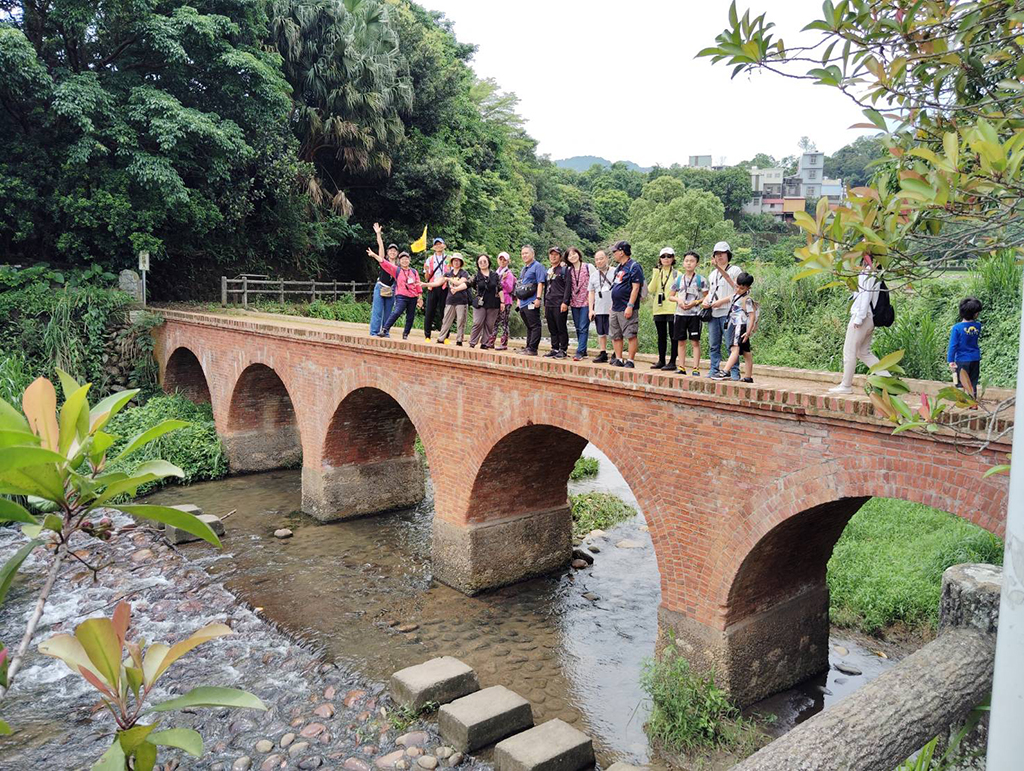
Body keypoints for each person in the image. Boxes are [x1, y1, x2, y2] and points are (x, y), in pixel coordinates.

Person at [828, 255, 891, 394]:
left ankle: (846, 386)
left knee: (849, 351)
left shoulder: (868, 271)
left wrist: (859, 318)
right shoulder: (875, 271)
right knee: (863, 353)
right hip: (871, 318)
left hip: (863, 317)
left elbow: (865, 295)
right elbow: (862, 293)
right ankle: (888, 379)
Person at [702, 241, 742, 380]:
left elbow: (738, 292)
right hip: (714, 313)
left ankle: (735, 371)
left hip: (728, 312)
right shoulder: (712, 274)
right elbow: (711, 292)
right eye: (716, 254)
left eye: (722, 253)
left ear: (728, 254)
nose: (719, 256)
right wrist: (706, 301)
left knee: (730, 344)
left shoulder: (735, 270)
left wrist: (721, 302)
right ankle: (714, 369)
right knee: (714, 344)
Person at [711, 272, 757, 382]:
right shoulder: (735, 296)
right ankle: (748, 376)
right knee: (746, 353)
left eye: (741, 288)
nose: (738, 289)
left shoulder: (747, 300)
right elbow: (725, 299)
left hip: (740, 327)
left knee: (734, 348)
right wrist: (714, 303)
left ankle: (725, 371)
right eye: (736, 286)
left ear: (747, 288)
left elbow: (752, 316)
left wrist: (748, 331)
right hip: (735, 326)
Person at [668, 250, 707, 375]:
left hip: (694, 315)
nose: (689, 263)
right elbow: (670, 296)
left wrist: (695, 302)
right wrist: (678, 300)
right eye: (686, 261)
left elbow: (707, 297)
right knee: (681, 341)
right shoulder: (678, 280)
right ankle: (682, 367)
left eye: (692, 261)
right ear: (683, 263)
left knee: (695, 341)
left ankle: (696, 368)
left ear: (697, 263)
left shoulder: (701, 280)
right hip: (680, 314)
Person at [372, 245, 423, 339]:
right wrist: (374, 255)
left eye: (406, 259)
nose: (404, 261)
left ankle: (405, 334)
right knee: (396, 312)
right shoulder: (397, 270)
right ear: (399, 261)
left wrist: (420, 297)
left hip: (413, 296)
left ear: (409, 260)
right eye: (402, 259)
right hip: (401, 296)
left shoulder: (414, 271)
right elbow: (384, 262)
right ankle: (384, 329)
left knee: (410, 317)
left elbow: (418, 284)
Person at [609, 240, 644, 368]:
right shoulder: (619, 268)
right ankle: (619, 358)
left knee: (630, 333)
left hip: (627, 306)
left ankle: (630, 360)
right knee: (616, 334)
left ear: (622, 252)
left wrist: (630, 305)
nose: (613, 254)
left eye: (615, 251)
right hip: (615, 307)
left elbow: (636, 288)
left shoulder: (634, 266)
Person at [649, 247, 680, 370]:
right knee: (661, 336)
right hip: (659, 308)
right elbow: (651, 289)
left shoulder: (677, 274)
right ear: (660, 259)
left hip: (673, 308)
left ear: (673, 258)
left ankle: (672, 361)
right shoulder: (658, 273)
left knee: (673, 336)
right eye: (663, 256)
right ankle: (661, 360)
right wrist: (656, 274)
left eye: (669, 256)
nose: (666, 259)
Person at [947, 296, 982, 397]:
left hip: (962, 360)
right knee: (973, 382)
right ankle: (973, 403)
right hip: (975, 358)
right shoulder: (978, 326)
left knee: (961, 383)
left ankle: (962, 403)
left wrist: (951, 361)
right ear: (975, 314)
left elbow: (953, 346)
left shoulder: (957, 328)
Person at [368, 223, 397, 336]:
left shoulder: (399, 266)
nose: (392, 252)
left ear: (397, 253)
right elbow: (381, 247)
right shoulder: (383, 261)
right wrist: (378, 234)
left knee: (388, 313)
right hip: (380, 287)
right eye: (390, 251)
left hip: (391, 290)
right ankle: (374, 333)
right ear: (388, 253)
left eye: (394, 251)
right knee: (377, 311)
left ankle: (385, 332)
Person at [516, 245, 546, 355]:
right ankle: (528, 347)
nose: (524, 255)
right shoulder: (524, 269)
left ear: (532, 254)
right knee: (528, 326)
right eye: (522, 253)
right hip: (523, 302)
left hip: (532, 301)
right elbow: (520, 285)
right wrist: (518, 301)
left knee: (535, 325)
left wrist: (538, 298)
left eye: (526, 253)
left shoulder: (538, 266)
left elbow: (540, 283)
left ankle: (533, 349)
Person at [588, 249, 616, 363]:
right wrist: (591, 309)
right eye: (597, 259)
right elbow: (591, 292)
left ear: (607, 259)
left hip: (612, 308)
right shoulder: (594, 275)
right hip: (599, 308)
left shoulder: (615, 271)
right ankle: (603, 352)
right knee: (601, 332)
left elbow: (618, 289)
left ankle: (616, 353)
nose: (599, 261)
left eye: (601, 258)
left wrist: (615, 305)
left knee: (614, 332)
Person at [565, 247, 593, 361]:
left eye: (574, 254)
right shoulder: (569, 270)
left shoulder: (588, 267)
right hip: (574, 302)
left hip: (586, 302)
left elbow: (595, 282)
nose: (572, 256)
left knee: (583, 327)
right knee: (577, 327)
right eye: (569, 255)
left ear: (578, 254)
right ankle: (584, 350)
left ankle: (580, 351)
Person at [436, 254, 470, 346]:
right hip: (450, 300)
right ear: (451, 262)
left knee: (460, 321)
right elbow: (437, 283)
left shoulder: (464, 273)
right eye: (454, 260)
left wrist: (448, 279)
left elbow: (459, 282)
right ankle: (441, 338)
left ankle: (459, 340)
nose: (456, 262)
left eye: (458, 260)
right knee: (446, 320)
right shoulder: (448, 273)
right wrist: (425, 284)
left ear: (461, 262)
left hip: (461, 300)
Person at [544, 247, 571, 359]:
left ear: (560, 256)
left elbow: (568, 287)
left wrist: (565, 302)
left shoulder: (564, 270)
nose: (553, 257)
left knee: (561, 326)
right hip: (549, 302)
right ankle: (554, 348)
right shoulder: (549, 271)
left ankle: (563, 349)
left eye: (556, 255)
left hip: (559, 302)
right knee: (552, 327)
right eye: (551, 254)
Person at [469, 254, 501, 348]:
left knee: (489, 324)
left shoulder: (495, 275)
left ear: (488, 262)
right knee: (477, 322)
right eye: (480, 262)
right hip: (480, 302)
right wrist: (457, 288)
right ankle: (472, 342)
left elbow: (500, 289)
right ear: (478, 264)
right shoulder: (476, 276)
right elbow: (467, 284)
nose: (483, 263)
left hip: (493, 303)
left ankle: (485, 343)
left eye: (484, 261)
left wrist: (503, 302)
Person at [421, 237, 449, 342]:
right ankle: (427, 335)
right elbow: (427, 278)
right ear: (434, 247)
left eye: (440, 244)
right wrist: (427, 271)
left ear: (443, 245)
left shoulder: (448, 259)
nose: (438, 246)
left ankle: (445, 336)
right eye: (436, 244)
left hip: (444, 287)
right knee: (430, 311)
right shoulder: (429, 259)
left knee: (444, 312)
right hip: (432, 286)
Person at [488, 251, 516, 350]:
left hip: (506, 300)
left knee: (504, 322)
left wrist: (502, 281)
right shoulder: (497, 272)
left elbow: (509, 289)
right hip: (496, 300)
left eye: (504, 259)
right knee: (495, 321)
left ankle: (504, 344)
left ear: (508, 261)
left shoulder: (509, 274)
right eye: (500, 259)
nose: (502, 261)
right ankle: (491, 341)